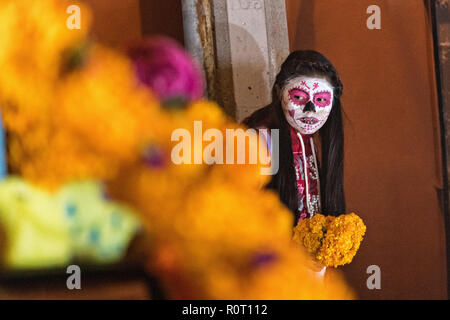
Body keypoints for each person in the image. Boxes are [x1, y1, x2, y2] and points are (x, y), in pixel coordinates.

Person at [243, 50, 345, 226]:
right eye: (298, 97)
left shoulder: (309, 139)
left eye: (321, 100)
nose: (310, 109)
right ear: (278, 92)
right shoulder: (257, 141)